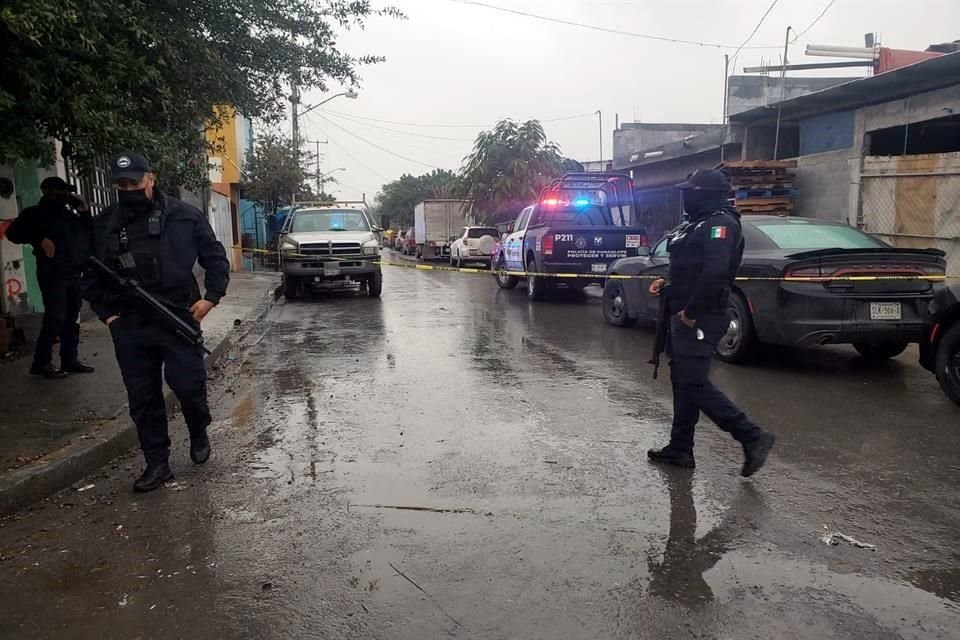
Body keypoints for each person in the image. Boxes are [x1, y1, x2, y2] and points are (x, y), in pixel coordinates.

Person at [82, 151, 230, 492]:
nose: (128, 188)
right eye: (121, 184)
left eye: (134, 182)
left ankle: (198, 429)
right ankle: (157, 463)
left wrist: (211, 298)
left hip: (178, 317)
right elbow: (89, 273)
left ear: (151, 178)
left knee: (188, 387)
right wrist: (108, 315)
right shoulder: (105, 223)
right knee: (143, 396)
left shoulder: (184, 216)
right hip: (130, 325)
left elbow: (215, 258)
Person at [647, 169, 775, 477]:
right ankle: (680, 448)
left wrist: (691, 310)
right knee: (683, 382)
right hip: (682, 314)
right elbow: (692, 268)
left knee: (694, 384)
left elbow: (715, 272)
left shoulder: (722, 224)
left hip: (699, 317)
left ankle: (752, 436)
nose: (686, 197)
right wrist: (666, 283)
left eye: (691, 192)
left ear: (705, 194)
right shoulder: (699, 224)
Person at [5, 176, 94, 378]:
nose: (66, 196)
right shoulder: (35, 214)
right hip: (51, 273)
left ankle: (69, 359)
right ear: (48, 191)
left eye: (67, 192)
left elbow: (88, 233)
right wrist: (39, 238)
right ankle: (41, 363)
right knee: (55, 318)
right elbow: (13, 232)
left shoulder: (69, 216)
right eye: (61, 191)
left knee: (72, 317)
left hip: (72, 273)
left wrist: (84, 210)